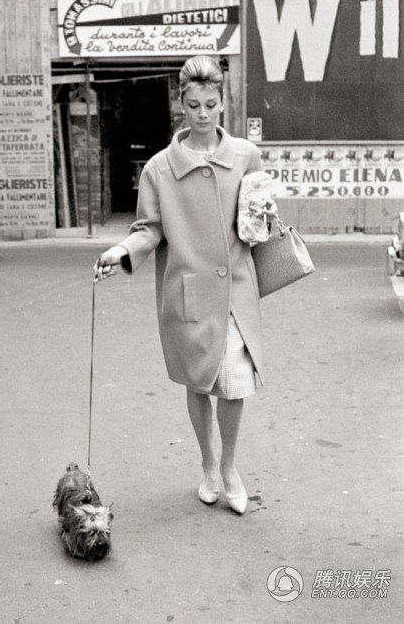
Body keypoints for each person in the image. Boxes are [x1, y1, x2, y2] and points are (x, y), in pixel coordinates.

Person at [94, 56, 276, 515]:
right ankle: (208, 463)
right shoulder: (158, 169)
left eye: (210, 104)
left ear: (222, 103)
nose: (202, 113)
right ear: (181, 103)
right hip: (188, 290)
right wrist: (121, 251)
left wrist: (263, 216)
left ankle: (231, 466)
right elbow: (148, 228)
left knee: (234, 383)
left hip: (235, 286)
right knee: (198, 384)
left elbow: (259, 218)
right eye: (193, 104)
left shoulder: (245, 155)